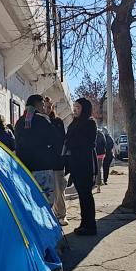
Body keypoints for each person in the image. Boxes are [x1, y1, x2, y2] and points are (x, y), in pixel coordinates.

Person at [15, 94, 64, 207]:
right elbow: (56, 141)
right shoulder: (42, 120)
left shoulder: (19, 122)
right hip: (42, 168)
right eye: (42, 105)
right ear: (36, 104)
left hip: (25, 169)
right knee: (45, 204)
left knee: (29, 203)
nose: (44, 108)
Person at [65, 98, 98, 235]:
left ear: (84, 108)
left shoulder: (90, 123)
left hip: (85, 164)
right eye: (74, 107)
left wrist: (71, 143)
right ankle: (84, 223)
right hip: (76, 164)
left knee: (86, 196)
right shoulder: (75, 122)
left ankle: (90, 226)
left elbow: (85, 142)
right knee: (82, 196)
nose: (75, 110)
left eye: (78, 107)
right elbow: (68, 138)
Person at [44, 96, 68, 225]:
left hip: (57, 162)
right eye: (45, 107)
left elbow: (61, 140)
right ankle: (49, 215)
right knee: (47, 191)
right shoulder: (40, 121)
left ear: (52, 107)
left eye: (49, 107)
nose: (47, 109)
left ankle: (62, 214)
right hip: (44, 163)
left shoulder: (57, 121)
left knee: (59, 190)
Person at [94, 127, 107, 192]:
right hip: (101, 154)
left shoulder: (91, 133)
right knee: (99, 169)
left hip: (94, 154)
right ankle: (98, 186)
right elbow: (105, 144)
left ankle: (94, 183)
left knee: (93, 169)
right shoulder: (101, 134)